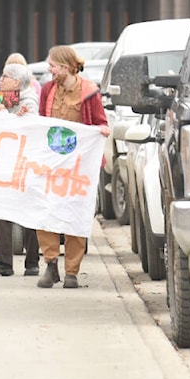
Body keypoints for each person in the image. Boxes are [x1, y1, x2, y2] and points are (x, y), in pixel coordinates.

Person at [35, 45, 110, 289]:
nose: (49, 69)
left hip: (79, 167)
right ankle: (50, 264)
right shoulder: (48, 90)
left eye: (53, 65)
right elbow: (40, 123)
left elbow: (100, 121)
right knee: (46, 212)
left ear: (65, 68)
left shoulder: (89, 92)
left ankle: (72, 271)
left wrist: (102, 130)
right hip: (52, 164)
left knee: (75, 214)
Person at [0, 62, 42, 277]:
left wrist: (4, 114)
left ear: (16, 82)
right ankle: (2, 261)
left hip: (25, 164)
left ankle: (32, 262)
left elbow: (27, 128)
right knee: (2, 210)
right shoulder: (3, 96)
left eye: (5, 78)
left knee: (27, 212)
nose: (0, 81)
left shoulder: (29, 100)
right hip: (4, 161)